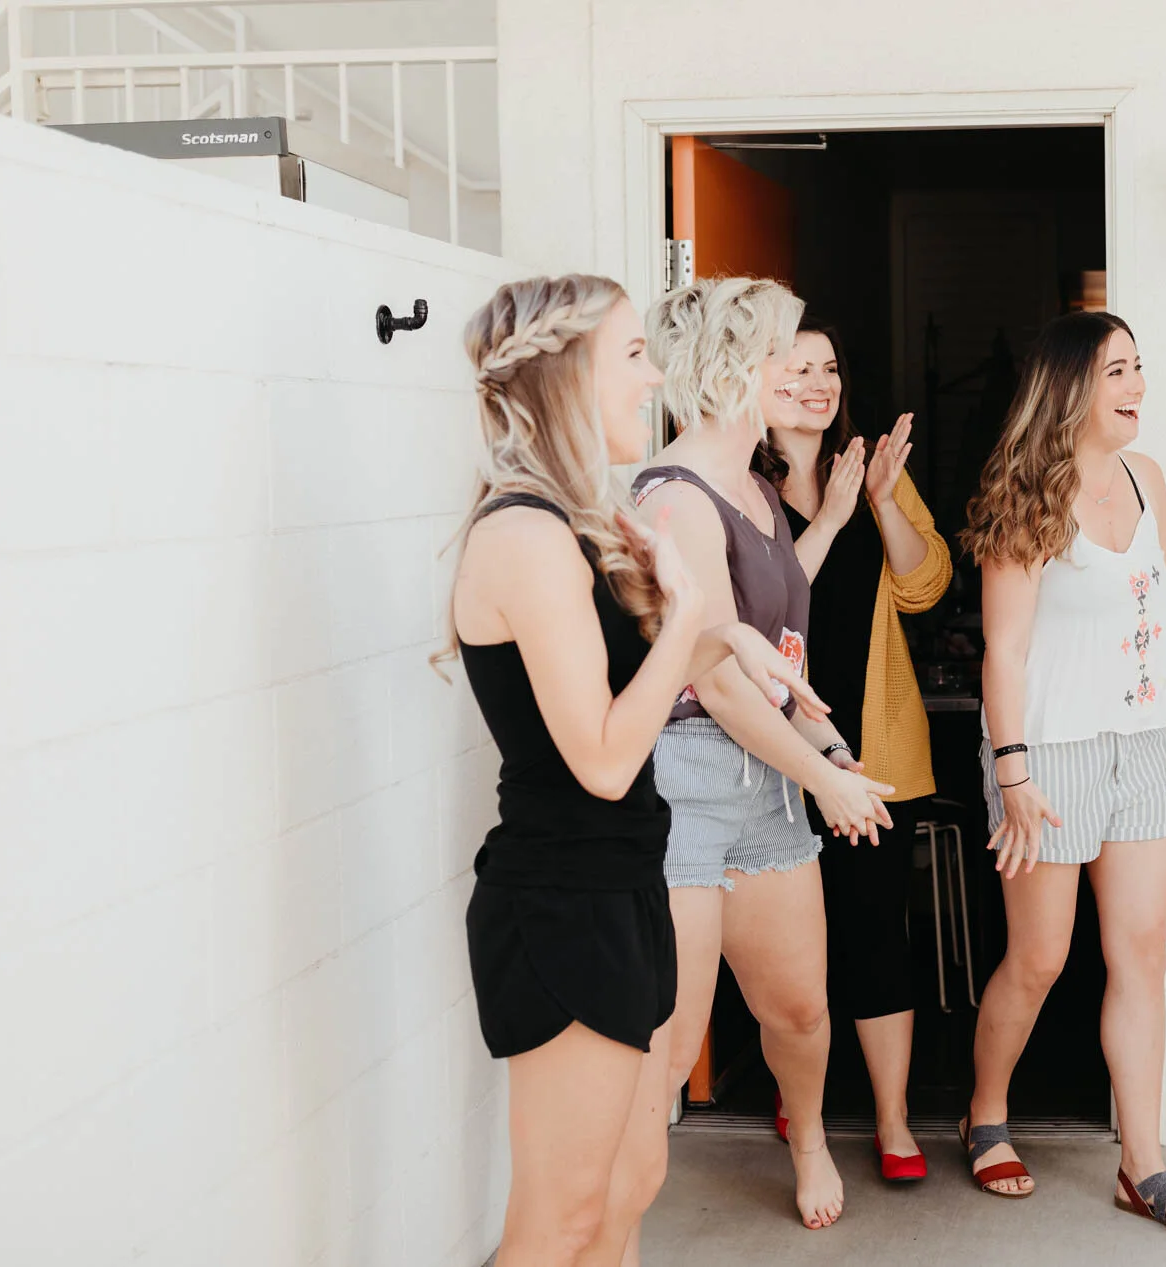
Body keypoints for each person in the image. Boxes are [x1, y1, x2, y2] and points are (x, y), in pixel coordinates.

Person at [445, 274, 826, 1267]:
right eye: (629, 355)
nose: (653, 377)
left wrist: (726, 640)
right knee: (561, 1222)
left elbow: (630, 687)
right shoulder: (525, 535)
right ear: (566, 376)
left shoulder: (583, 519)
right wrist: (694, 613)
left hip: (622, 884)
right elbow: (608, 758)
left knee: (633, 1183)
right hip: (561, 902)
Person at [956, 311, 1166, 1242]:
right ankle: (986, 1112)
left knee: (1143, 954)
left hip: (1143, 746)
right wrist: (1012, 772)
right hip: (1050, 755)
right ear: (1071, 385)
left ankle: (1142, 1166)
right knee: (1040, 957)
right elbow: (1003, 652)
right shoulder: (1026, 491)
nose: (1137, 386)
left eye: (1138, 367)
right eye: (1118, 370)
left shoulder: (1148, 478)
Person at [632, 278, 896, 1232]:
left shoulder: (757, 488)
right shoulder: (675, 496)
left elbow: (779, 646)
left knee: (799, 1012)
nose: (803, 370)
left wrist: (828, 746)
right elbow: (719, 679)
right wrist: (822, 777)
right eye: (786, 352)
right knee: (670, 1049)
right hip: (690, 784)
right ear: (739, 367)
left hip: (771, 781)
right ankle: (611, 1227)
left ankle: (809, 1138)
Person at [759, 315, 953, 1181]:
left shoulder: (868, 467)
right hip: (771, 749)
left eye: (828, 367)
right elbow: (754, 610)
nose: (816, 383)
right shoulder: (741, 485)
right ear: (761, 379)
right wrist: (832, 518)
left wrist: (878, 500)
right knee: (786, 944)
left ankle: (893, 1119)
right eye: (796, 367)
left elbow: (926, 586)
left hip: (872, 745)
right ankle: (798, 1096)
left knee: (875, 927)